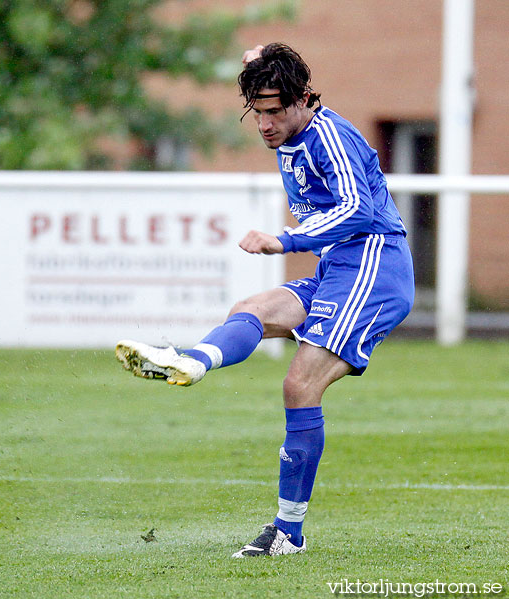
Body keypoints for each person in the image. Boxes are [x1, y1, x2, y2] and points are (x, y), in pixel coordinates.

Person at [115, 42, 414, 558]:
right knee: (249, 311)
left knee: (298, 385)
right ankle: (192, 360)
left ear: (302, 101)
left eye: (276, 111)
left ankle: (287, 534)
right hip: (339, 269)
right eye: (258, 112)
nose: (266, 125)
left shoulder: (329, 137)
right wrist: (257, 61)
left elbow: (360, 213)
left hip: (373, 266)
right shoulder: (290, 131)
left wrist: (285, 239)